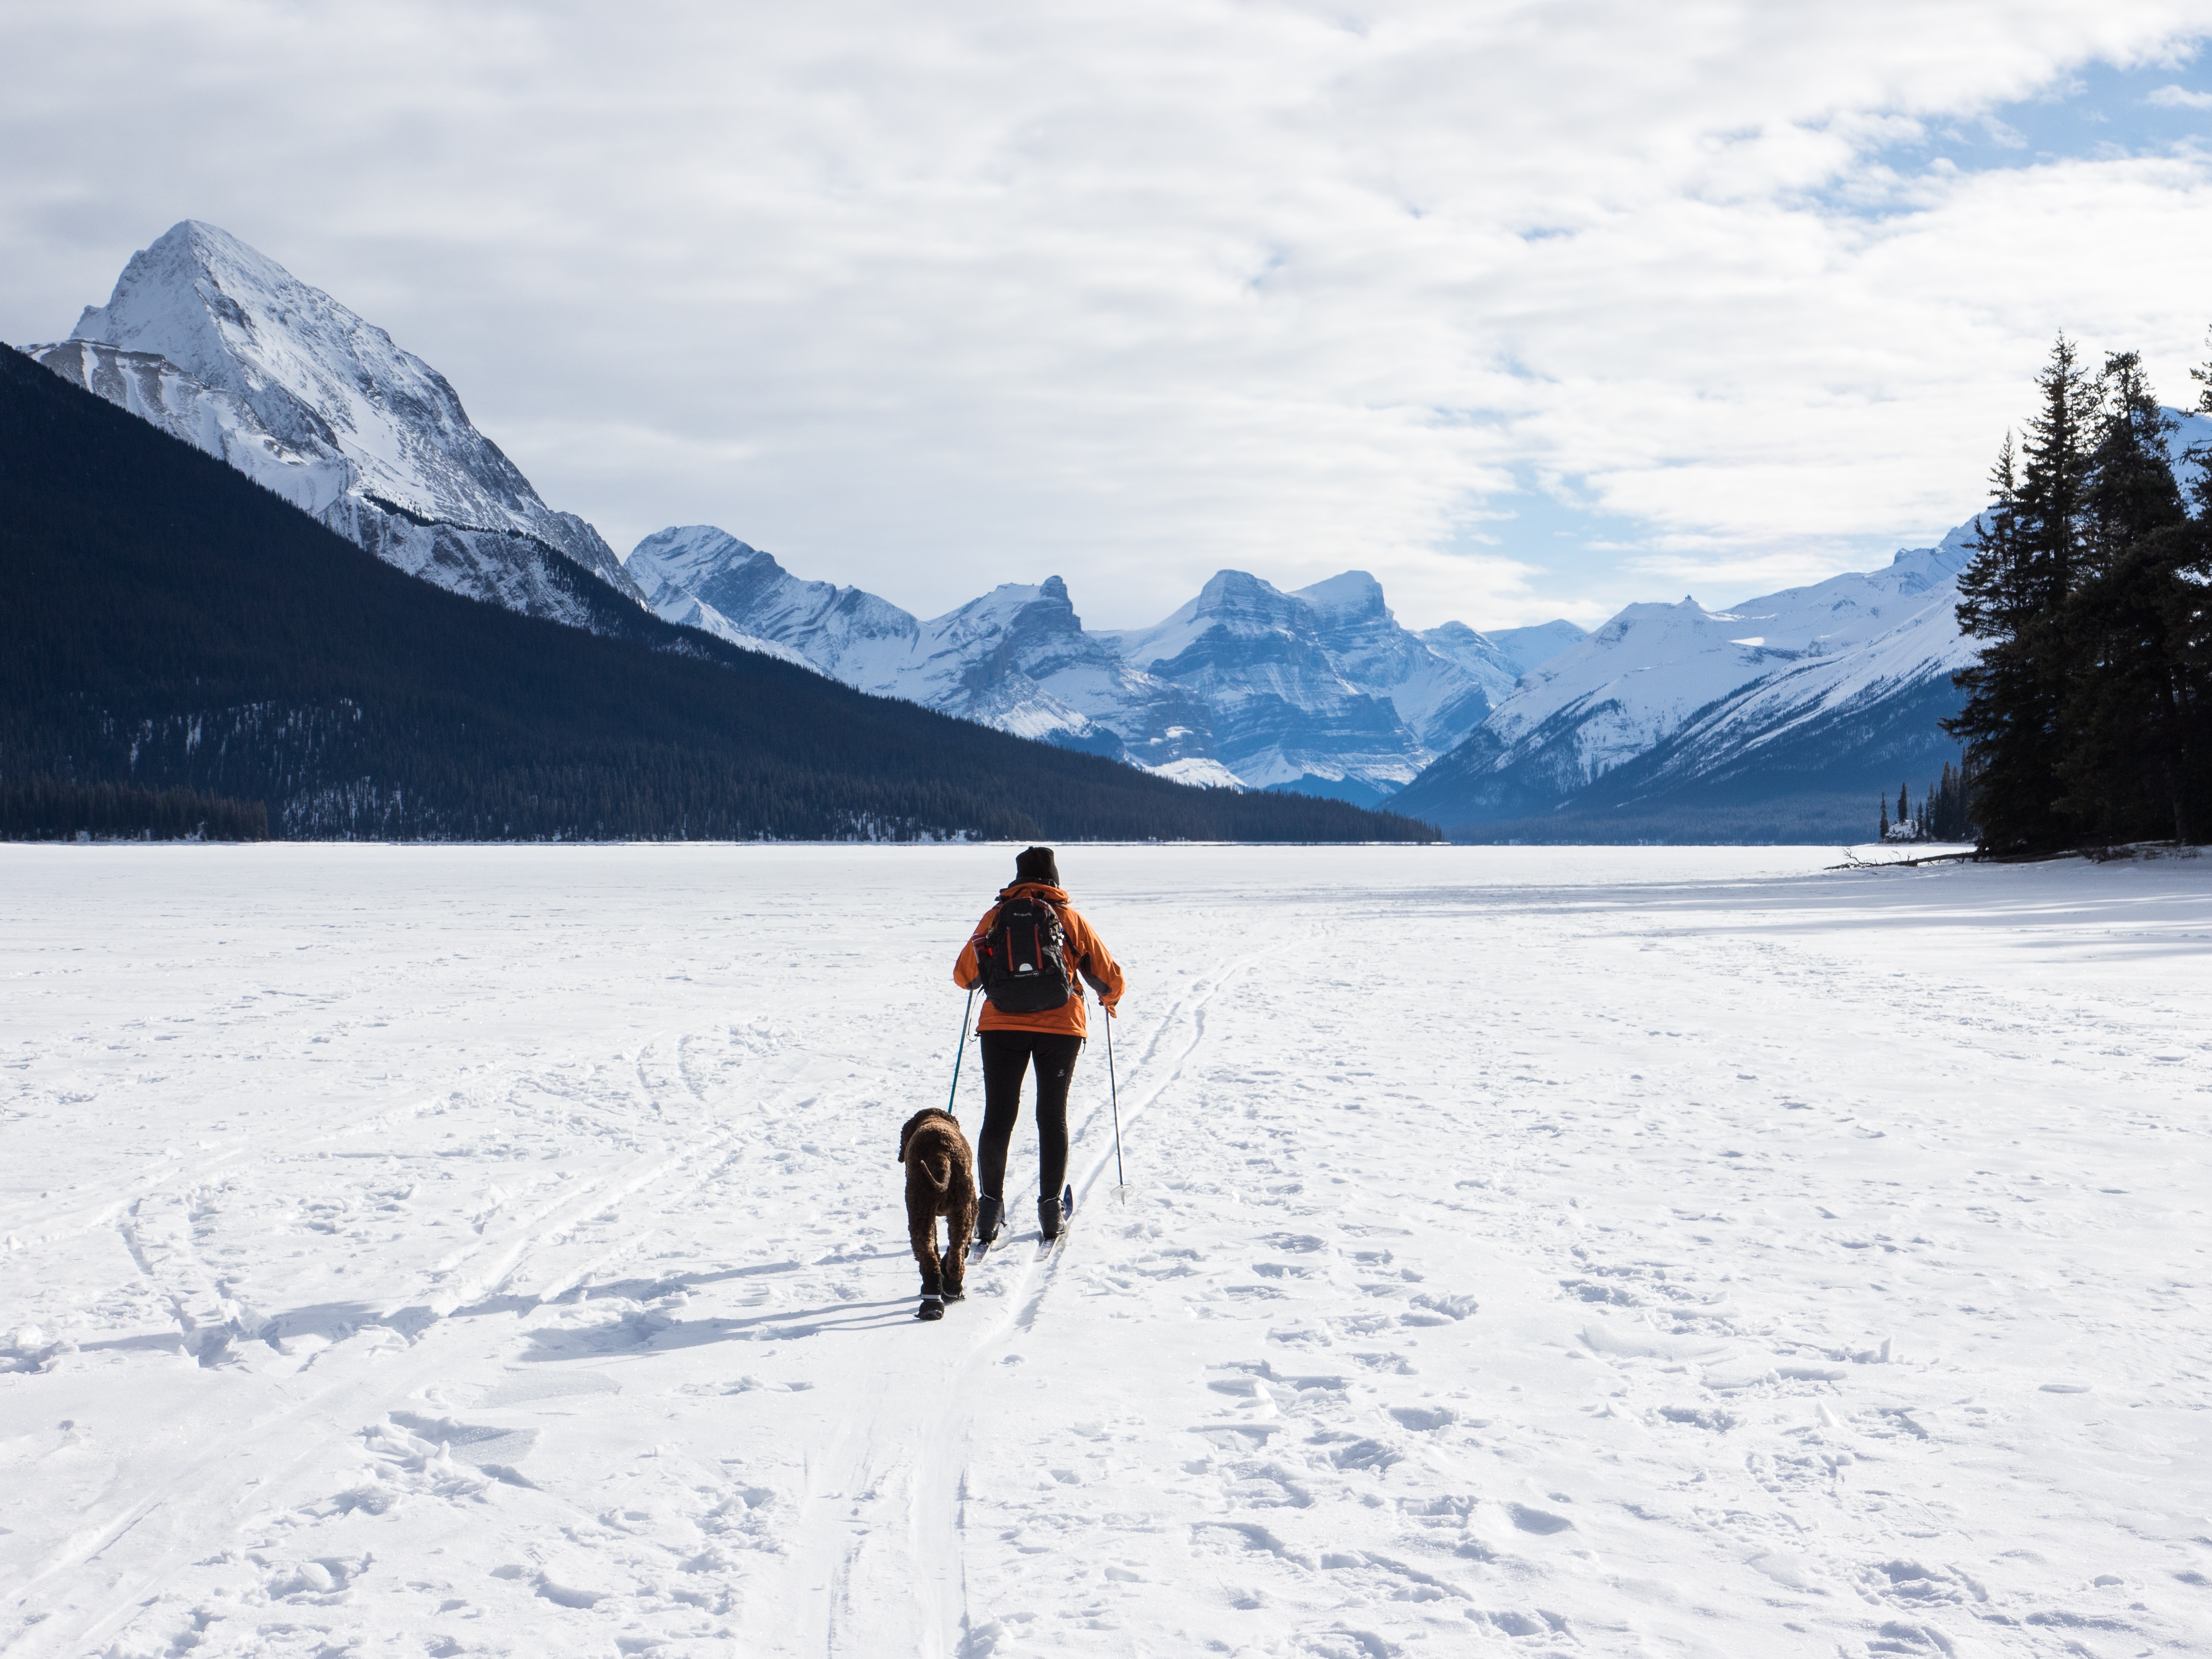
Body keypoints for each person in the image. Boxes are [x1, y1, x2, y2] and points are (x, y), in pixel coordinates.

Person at [953, 846, 1124, 1245]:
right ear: (1055, 880)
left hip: (1000, 1026)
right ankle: (1050, 1211)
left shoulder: (996, 917)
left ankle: (989, 1211)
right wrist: (1108, 1000)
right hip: (1061, 1028)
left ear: (1018, 879)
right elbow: (1109, 977)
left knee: (998, 1115)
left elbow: (964, 976)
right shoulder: (1068, 918)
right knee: (1052, 1116)